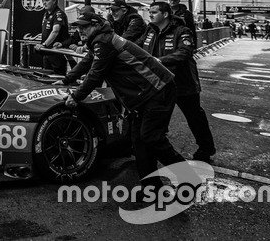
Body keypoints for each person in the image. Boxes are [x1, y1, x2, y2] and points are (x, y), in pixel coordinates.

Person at [60, 11, 186, 187]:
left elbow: (95, 74)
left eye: (85, 26)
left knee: (151, 137)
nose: (80, 30)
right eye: (78, 27)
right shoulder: (101, 40)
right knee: (139, 142)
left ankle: (187, 176)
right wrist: (66, 80)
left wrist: (76, 96)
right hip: (144, 94)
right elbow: (86, 63)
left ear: (96, 25)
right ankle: (152, 187)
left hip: (158, 89)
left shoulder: (104, 41)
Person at [140, 1, 216, 162]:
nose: (150, 14)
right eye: (150, 11)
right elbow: (137, 47)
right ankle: (155, 149)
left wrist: (159, 61)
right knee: (155, 122)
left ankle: (206, 148)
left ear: (165, 14)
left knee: (195, 117)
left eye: (154, 12)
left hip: (183, 84)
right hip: (159, 84)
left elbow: (184, 53)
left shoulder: (182, 31)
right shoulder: (149, 31)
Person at [35, 0, 69, 74]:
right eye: (43, 0)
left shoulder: (59, 14)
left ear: (54, 1)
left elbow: (56, 31)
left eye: (47, 0)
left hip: (57, 52)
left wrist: (44, 44)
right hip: (46, 52)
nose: (44, 3)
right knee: (46, 77)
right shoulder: (46, 14)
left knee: (57, 78)